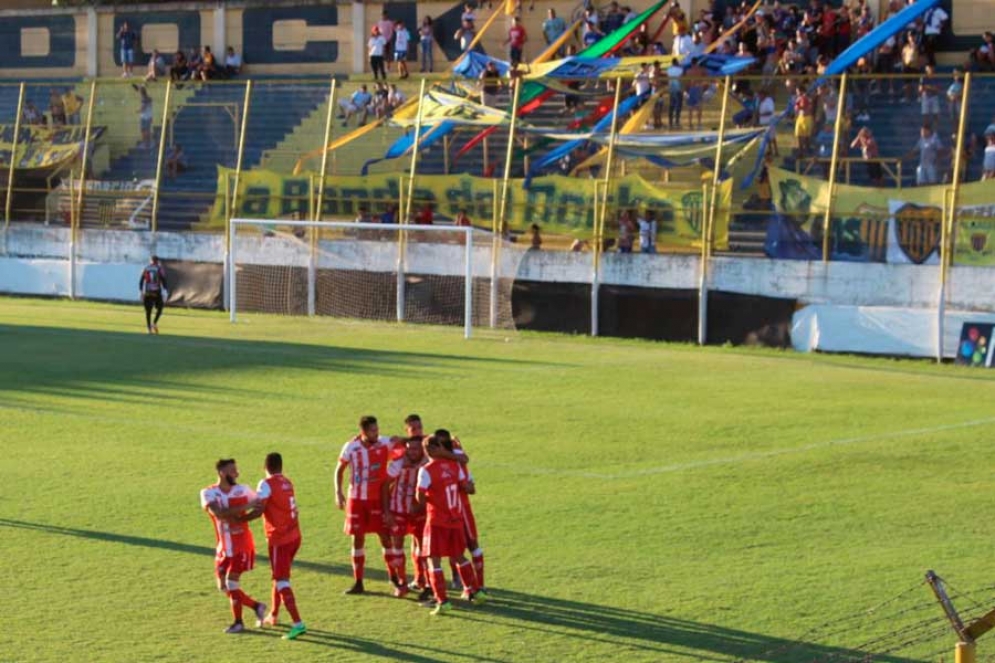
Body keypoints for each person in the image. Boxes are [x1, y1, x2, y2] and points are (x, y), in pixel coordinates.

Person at [414, 435, 485, 615]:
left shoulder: (426, 470)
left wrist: (430, 500)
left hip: (437, 520)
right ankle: (475, 590)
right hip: (456, 520)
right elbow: (466, 486)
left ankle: (442, 601)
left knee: (433, 560)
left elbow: (419, 497)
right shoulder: (455, 466)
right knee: (459, 557)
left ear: (427, 450)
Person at [241, 453, 306, 640]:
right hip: (295, 536)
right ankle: (274, 614)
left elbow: (259, 506)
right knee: (278, 577)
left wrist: (241, 518)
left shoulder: (266, 484)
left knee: (281, 579)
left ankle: (298, 623)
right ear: (281, 467)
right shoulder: (288, 482)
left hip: (280, 539)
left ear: (265, 467)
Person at [200, 458, 267, 634]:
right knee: (223, 586)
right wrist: (247, 506)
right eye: (232, 471)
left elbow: (260, 508)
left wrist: (244, 518)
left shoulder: (243, 490)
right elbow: (219, 513)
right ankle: (257, 606)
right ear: (222, 473)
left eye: (236, 470)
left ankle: (238, 622)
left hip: (242, 545)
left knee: (231, 583)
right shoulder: (208, 493)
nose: (237, 473)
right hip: (223, 548)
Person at [335, 415, 396, 595]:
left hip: (377, 499)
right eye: (372, 431)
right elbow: (339, 469)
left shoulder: (384, 443)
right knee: (357, 538)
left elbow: (403, 442)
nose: (376, 433)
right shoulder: (351, 447)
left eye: (377, 429)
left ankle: (393, 578)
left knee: (385, 537)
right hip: (356, 499)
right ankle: (358, 582)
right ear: (363, 432)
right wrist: (338, 492)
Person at [382, 436, 429, 599]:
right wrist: (387, 511)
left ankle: (424, 582)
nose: (412, 452)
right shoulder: (398, 463)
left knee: (423, 547)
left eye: (416, 448)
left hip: (419, 511)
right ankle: (402, 583)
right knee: (397, 545)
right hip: (398, 510)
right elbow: (384, 485)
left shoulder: (427, 462)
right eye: (409, 448)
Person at [139, 255, 167, 334]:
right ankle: (154, 323)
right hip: (157, 292)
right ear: (157, 261)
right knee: (160, 308)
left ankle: (149, 328)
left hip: (148, 292)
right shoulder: (159, 268)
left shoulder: (146, 268)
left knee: (148, 311)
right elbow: (163, 280)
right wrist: (165, 291)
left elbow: (141, 280)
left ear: (150, 260)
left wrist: (141, 291)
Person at [133, 84, 153, 149]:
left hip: (145, 117)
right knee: (147, 130)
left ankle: (146, 144)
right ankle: (148, 143)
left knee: (144, 131)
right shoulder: (149, 98)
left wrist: (137, 111)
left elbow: (143, 108)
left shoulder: (144, 99)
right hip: (149, 117)